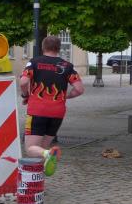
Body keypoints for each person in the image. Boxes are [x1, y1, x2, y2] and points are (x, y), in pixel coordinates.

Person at [19, 35, 85, 176]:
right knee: (41, 150)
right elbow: (79, 89)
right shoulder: (67, 66)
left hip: (37, 111)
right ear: (58, 48)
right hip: (57, 113)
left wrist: (25, 95)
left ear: (43, 47)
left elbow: (23, 82)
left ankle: (49, 154)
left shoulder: (34, 63)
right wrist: (65, 96)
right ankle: (38, 181)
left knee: (31, 148)